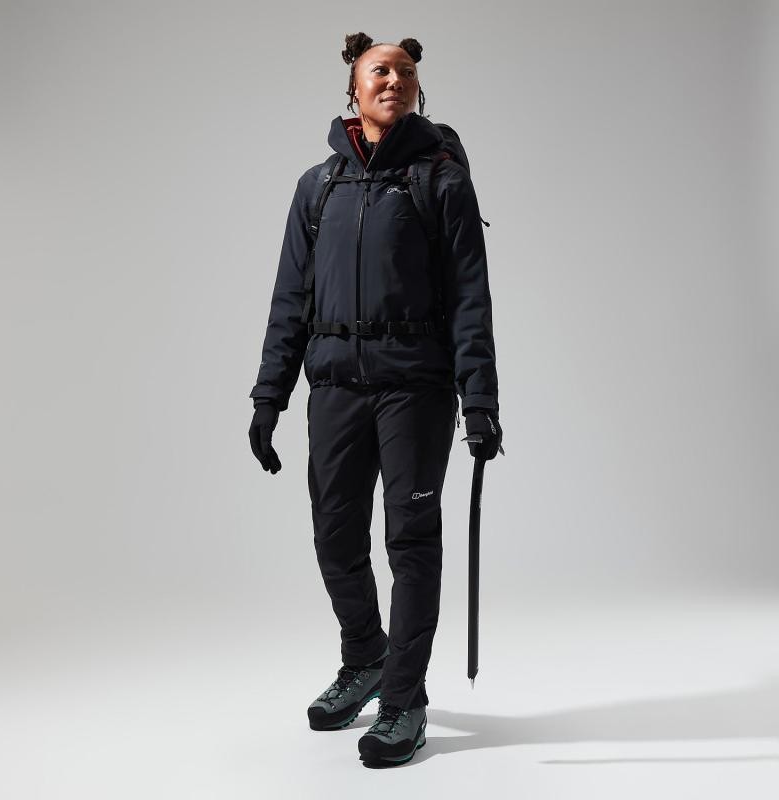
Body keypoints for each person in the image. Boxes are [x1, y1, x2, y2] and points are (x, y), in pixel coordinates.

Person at [248, 31, 502, 767]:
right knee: (334, 536)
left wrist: (480, 400)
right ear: (353, 87)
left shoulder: (441, 180)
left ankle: (403, 701)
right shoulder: (317, 186)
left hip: (415, 387)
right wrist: (269, 397)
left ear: (419, 87)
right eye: (380, 71)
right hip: (334, 386)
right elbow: (290, 298)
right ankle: (365, 656)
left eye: (406, 72)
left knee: (410, 543)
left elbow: (471, 297)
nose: (394, 81)